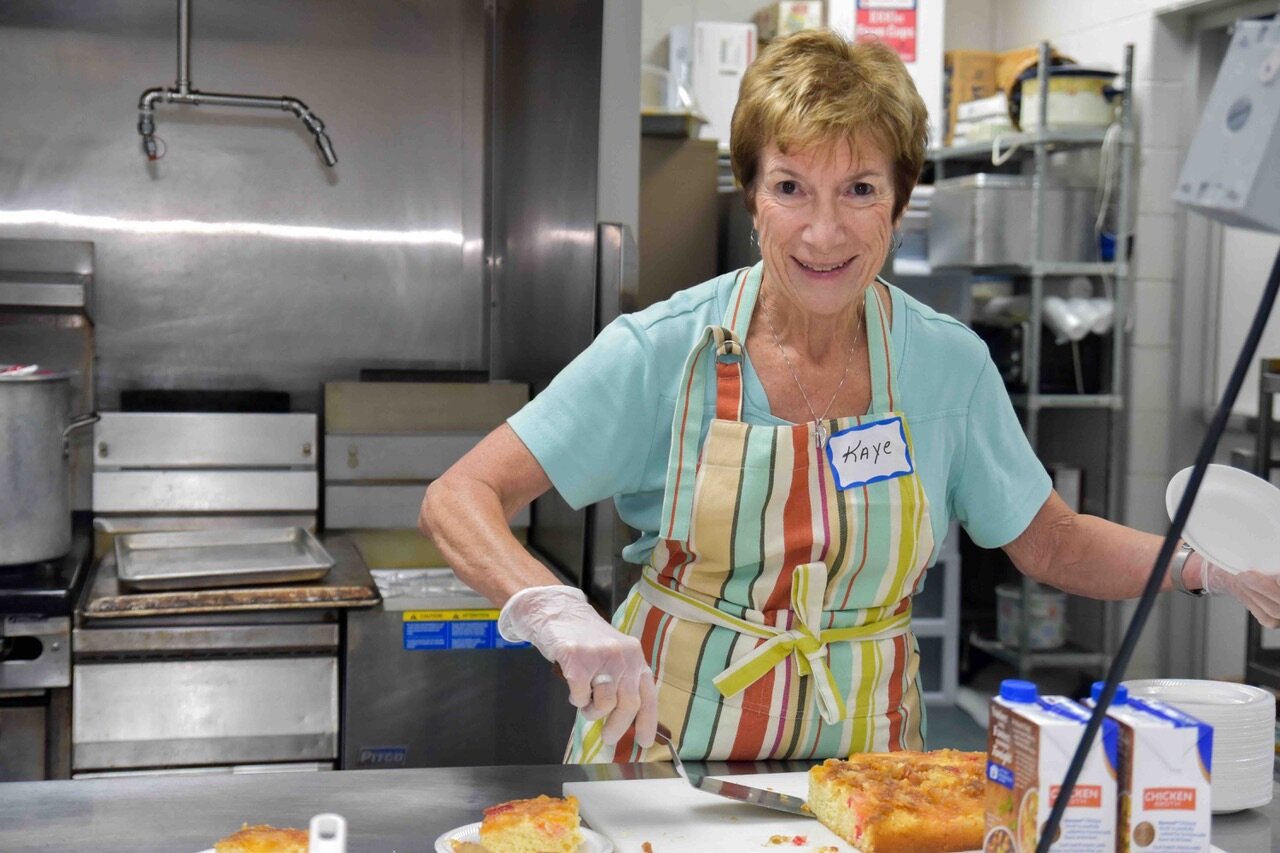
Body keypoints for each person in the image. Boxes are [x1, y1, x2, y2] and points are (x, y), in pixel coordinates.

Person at [419, 29, 1280, 764]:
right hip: (662, 764)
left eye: (859, 190)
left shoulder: (947, 365)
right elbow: (460, 495)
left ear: (900, 206)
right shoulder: (663, 351)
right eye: (791, 187)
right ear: (753, 197)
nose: (823, 232)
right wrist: (553, 609)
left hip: (868, 776)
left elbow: (1050, 540)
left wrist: (1207, 569)